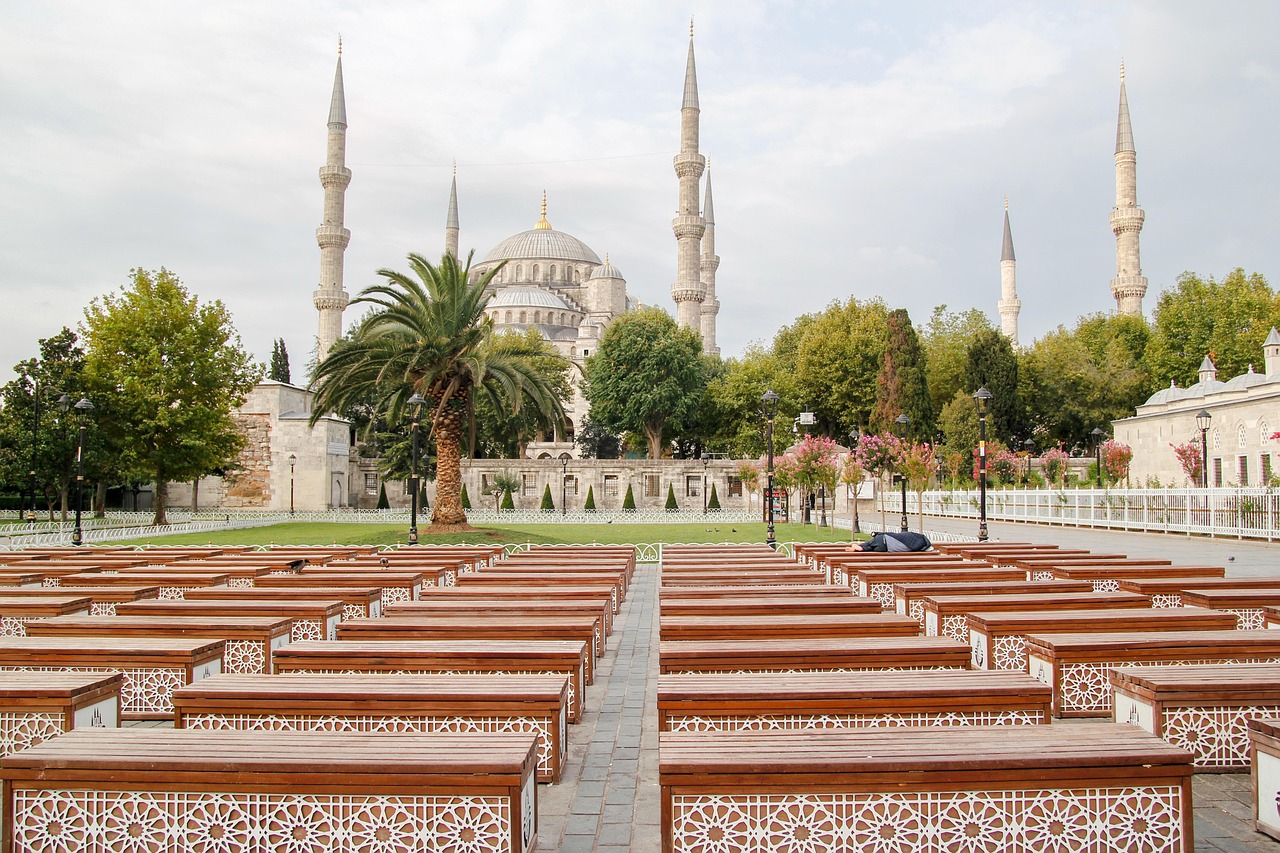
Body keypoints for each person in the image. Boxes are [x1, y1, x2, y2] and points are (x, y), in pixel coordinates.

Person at [851, 531, 933, 552]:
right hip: (886, 548)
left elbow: (894, 535)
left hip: (884, 539)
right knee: (871, 547)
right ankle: (861, 547)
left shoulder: (913, 537)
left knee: (870, 544)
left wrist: (878, 533)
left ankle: (859, 547)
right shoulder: (916, 547)